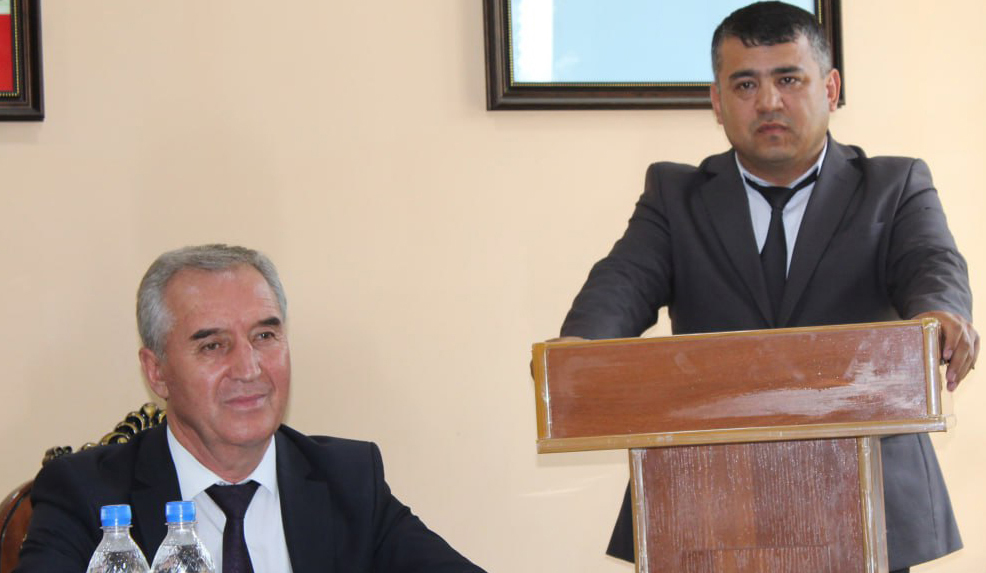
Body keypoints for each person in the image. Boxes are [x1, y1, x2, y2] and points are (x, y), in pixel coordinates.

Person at [557, 3, 978, 573]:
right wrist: (580, 350)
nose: (769, 102)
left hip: (867, 506)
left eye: (788, 79)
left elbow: (931, 263)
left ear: (830, 89)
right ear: (717, 101)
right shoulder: (674, 196)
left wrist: (942, 314)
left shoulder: (893, 185)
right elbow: (623, 281)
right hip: (706, 506)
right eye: (746, 85)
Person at [15, 244, 486, 573]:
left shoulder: (348, 480)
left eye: (265, 335)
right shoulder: (86, 494)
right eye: (213, 345)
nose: (249, 368)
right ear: (156, 372)